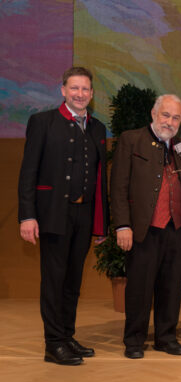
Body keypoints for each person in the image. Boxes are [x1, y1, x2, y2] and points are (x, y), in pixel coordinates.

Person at [18, 66, 109, 365]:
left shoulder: (97, 128)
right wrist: (27, 216)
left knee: (72, 281)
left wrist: (101, 224)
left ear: (91, 94)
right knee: (54, 281)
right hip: (53, 214)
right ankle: (53, 343)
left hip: (84, 214)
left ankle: (67, 336)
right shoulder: (42, 122)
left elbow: (100, 179)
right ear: (63, 90)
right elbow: (28, 172)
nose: (80, 94)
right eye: (74, 88)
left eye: (85, 89)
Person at [111, 94, 181, 359]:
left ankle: (166, 338)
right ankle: (134, 341)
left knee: (171, 287)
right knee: (139, 287)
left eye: (176, 118)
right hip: (143, 228)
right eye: (166, 115)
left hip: (175, 228)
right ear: (153, 113)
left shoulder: (179, 146)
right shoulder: (131, 139)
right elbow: (118, 185)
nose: (170, 122)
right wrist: (122, 225)